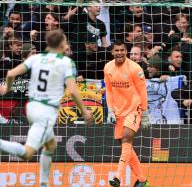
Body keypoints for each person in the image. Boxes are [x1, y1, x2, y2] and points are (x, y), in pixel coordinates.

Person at [0, 30, 93, 187]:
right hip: (46, 112)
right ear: (62, 44)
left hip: (32, 107)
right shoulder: (65, 62)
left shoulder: (36, 58)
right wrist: (84, 111)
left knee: (50, 145)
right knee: (28, 153)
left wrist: (6, 88)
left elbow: (10, 73)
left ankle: (44, 183)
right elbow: (72, 89)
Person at [103, 40, 150, 187]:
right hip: (118, 112)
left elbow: (142, 91)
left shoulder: (135, 68)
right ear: (112, 52)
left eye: (122, 50)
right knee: (126, 147)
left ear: (126, 51)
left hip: (134, 109)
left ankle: (117, 176)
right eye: (116, 50)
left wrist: (145, 112)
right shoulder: (108, 67)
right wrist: (110, 110)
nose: (119, 53)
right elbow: (109, 90)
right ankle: (142, 180)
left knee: (127, 138)